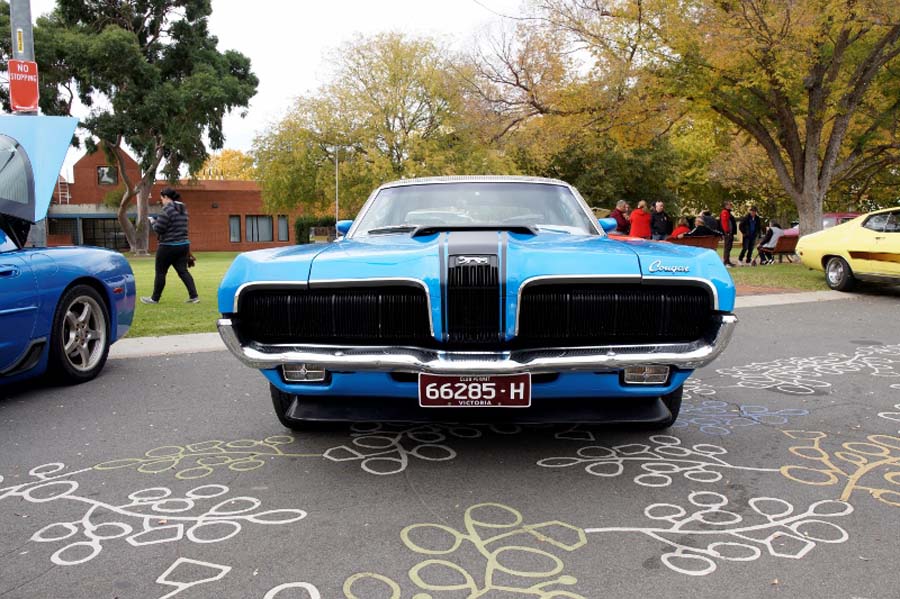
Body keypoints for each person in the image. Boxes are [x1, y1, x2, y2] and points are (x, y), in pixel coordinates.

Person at [140, 187, 199, 304]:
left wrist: (153, 221)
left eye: (161, 198)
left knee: (161, 272)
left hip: (168, 246)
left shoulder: (166, 210)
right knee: (183, 271)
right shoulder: (183, 209)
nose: (161, 201)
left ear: (166, 197)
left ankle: (154, 298)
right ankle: (194, 296)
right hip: (183, 245)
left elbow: (159, 229)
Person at [720, 201, 737, 267]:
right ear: (726, 206)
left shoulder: (728, 212)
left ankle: (728, 261)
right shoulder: (725, 212)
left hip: (730, 232)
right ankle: (725, 262)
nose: (731, 206)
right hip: (728, 232)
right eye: (729, 205)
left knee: (729, 247)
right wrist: (727, 231)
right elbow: (724, 222)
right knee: (727, 247)